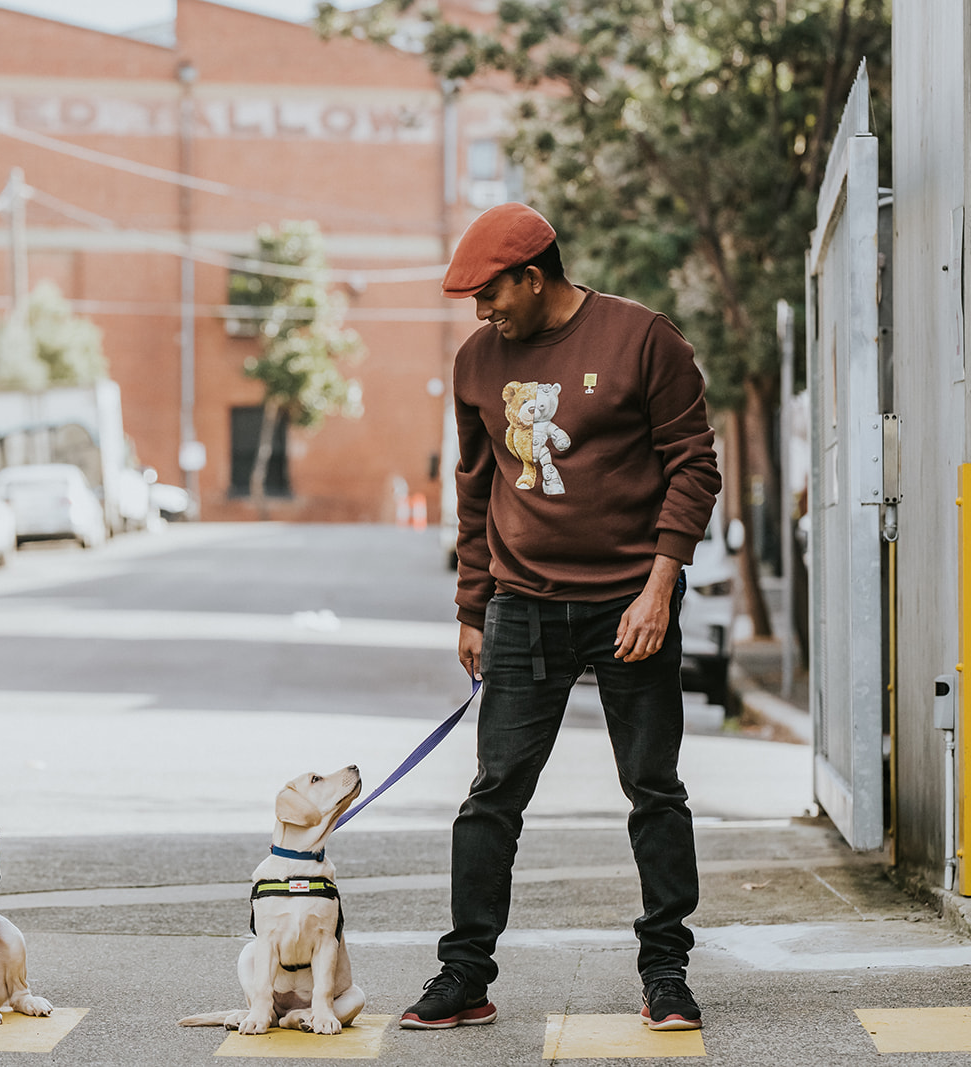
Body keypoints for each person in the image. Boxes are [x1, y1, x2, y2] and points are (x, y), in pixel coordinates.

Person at [401, 204, 721, 1034]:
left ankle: (666, 970)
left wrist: (661, 586)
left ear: (533, 276)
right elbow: (475, 492)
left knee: (653, 787)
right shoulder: (478, 363)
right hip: (524, 606)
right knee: (492, 794)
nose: (481, 311)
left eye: (489, 293)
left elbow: (694, 464)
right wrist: (473, 608)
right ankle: (464, 971)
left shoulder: (642, 339)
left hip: (630, 604)